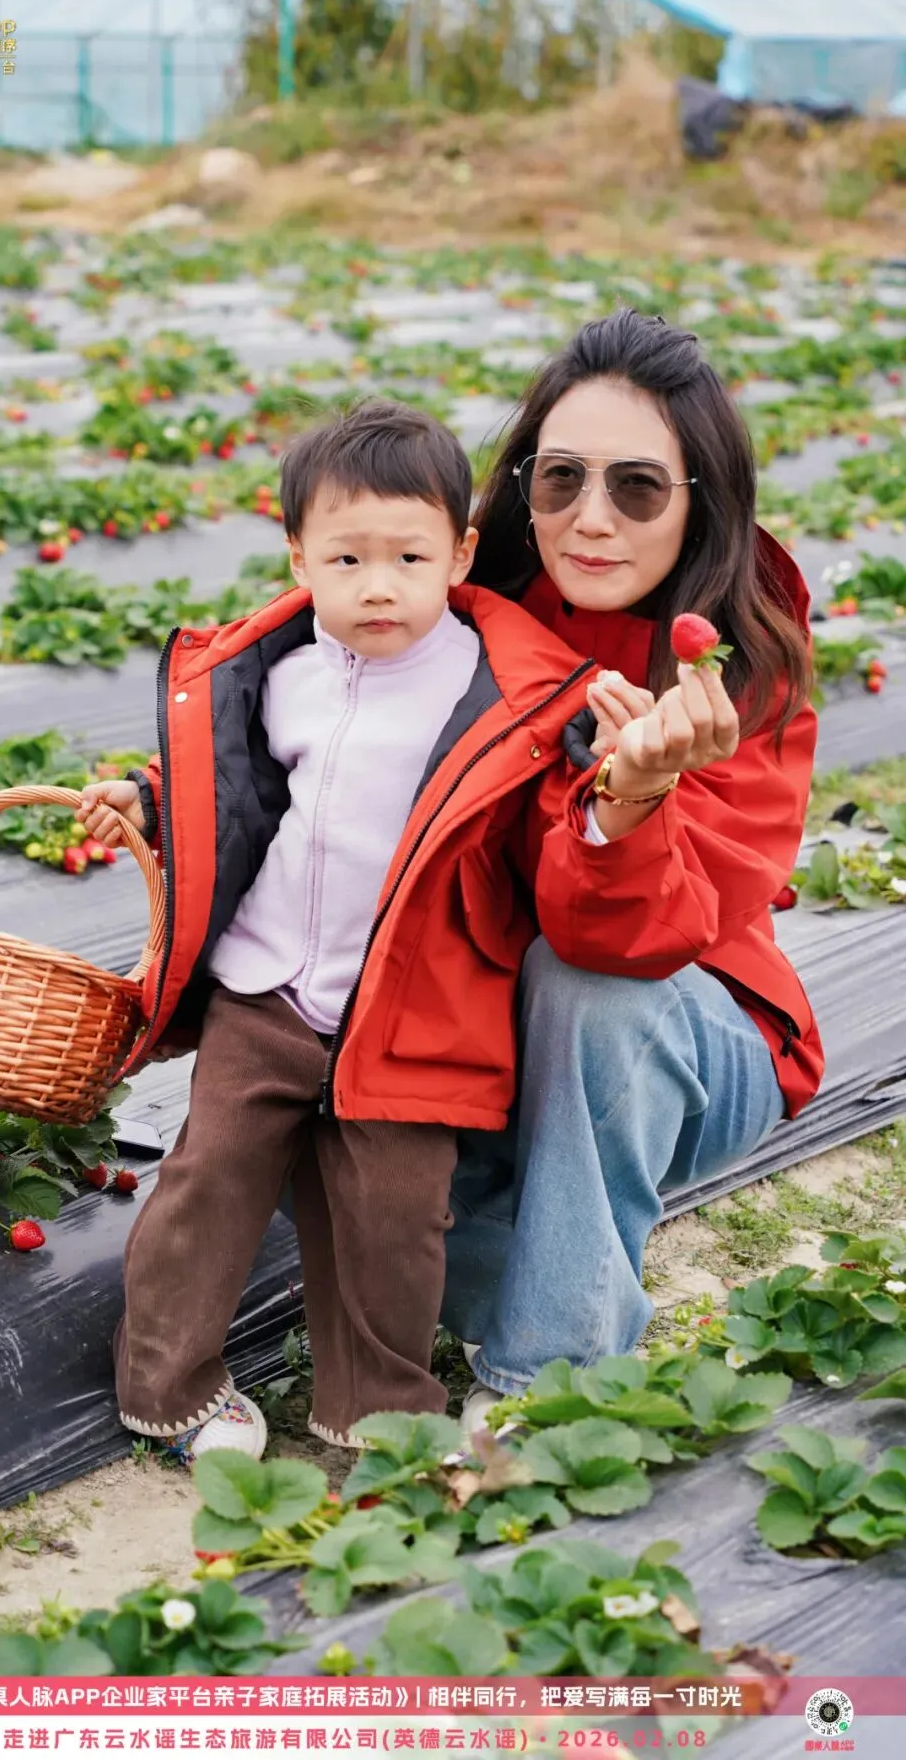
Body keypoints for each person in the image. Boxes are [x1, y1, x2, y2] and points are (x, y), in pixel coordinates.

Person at [77, 400, 602, 1464]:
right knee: (209, 1178)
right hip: (267, 985)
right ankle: (168, 1390)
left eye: (409, 557)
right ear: (298, 558)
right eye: (347, 558)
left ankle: (379, 1412)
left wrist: (612, 789)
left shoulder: (502, 696)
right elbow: (236, 790)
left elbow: (550, 828)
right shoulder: (283, 676)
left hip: (413, 1003)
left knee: (395, 1215)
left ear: (460, 554)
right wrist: (150, 797)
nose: (378, 586)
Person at [440, 306, 824, 1435]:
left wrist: (632, 800)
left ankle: (547, 1376)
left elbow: (629, 945)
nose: (592, 519)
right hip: (489, 1023)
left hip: (686, 1035)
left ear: (702, 498)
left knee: (584, 990)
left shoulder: (737, 669)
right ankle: (505, 1262)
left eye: (639, 488)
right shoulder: (457, 602)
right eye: (560, 480)